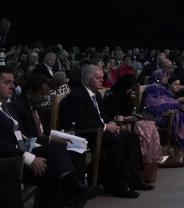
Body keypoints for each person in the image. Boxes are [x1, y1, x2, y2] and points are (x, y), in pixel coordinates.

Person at [58, 64, 150, 198]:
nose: (102, 80)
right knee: (115, 140)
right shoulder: (77, 96)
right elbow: (80, 122)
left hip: (99, 130)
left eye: (102, 77)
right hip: (87, 134)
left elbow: (101, 116)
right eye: (98, 78)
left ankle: (133, 178)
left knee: (131, 137)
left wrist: (112, 122)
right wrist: (106, 127)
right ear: (87, 79)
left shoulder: (96, 95)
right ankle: (119, 185)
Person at [2, 71, 87, 208]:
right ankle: (72, 189)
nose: (13, 86)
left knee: (75, 149)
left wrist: (57, 136)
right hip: (14, 158)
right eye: (7, 82)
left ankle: (73, 189)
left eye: (13, 82)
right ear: (30, 93)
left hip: (25, 148)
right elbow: (12, 142)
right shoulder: (15, 107)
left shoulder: (8, 109)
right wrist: (28, 156)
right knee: (57, 151)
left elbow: (22, 137)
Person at [142, 71, 184, 164]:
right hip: (159, 116)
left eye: (166, 76)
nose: (166, 78)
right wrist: (177, 104)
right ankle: (182, 155)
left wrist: (177, 104)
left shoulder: (163, 88)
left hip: (169, 113)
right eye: (164, 76)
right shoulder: (152, 88)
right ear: (158, 77)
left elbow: (168, 100)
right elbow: (154, 103)